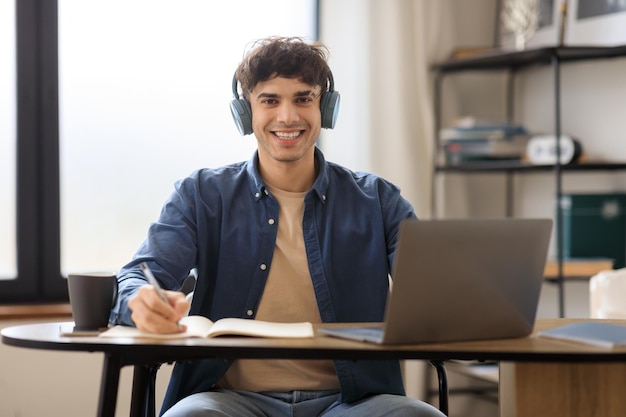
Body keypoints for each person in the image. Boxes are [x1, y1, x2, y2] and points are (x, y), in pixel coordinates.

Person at [110, 36, 444, 417]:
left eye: (304, 98)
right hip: (227, 400)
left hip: (353, 403)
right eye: (270, 100)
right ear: (245, 112)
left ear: (326, 108)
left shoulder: (379, 200)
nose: (288, 116)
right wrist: (139, 302)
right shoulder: (201, 195)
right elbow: (137, 276)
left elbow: (432, 297)